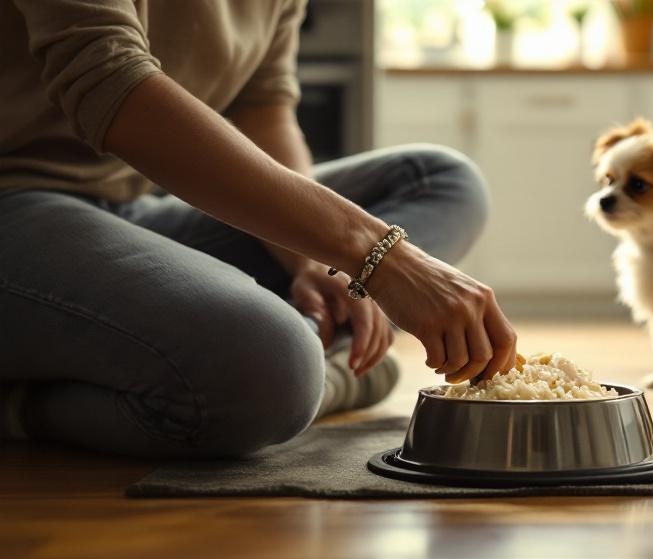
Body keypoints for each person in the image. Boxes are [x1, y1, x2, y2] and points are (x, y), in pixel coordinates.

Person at [0, 0, 517, 458]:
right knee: (269, 364)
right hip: (13, 204)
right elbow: (111, 84)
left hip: (128, 206)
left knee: (440, 180)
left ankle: (307, 359)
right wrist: (377, 256)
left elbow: (263, 109)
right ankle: (317, 373)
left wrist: (314, 261)